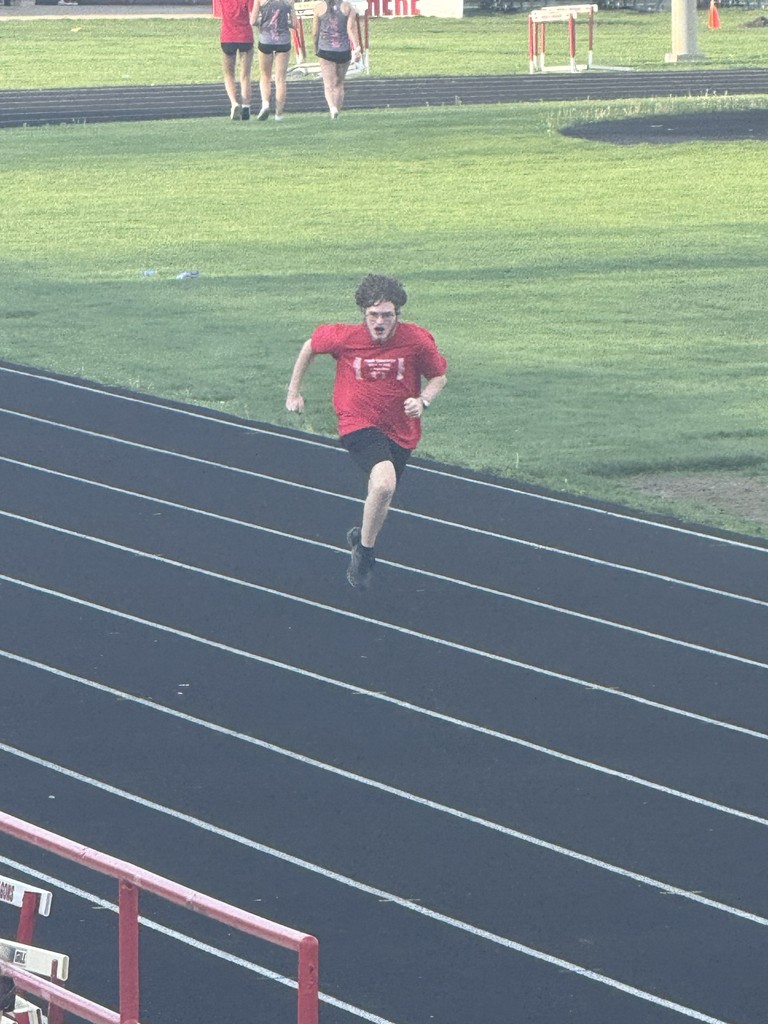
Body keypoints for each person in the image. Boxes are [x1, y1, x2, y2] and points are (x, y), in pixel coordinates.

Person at [286, 274, 448, 589]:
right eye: (373, 315)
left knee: (381, 494)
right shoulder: (344, 337)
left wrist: (423, 401)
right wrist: (293, 392)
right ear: (363, 314)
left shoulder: (416, 340)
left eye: (387, 315)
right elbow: (310, 346)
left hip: (400, 427)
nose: (379, 322)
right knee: (385, 485)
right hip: (357, 421)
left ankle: (363, 537)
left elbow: (439, 376)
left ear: (397, 315)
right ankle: (366, 554)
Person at [312, 0, 361, 119]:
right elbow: (351, 28)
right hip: (343, 50)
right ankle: (337, 111)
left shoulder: (319, 8)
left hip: (325, 49)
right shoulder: (348, 7)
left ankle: (332, 108)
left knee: (329, 84)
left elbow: (315, 32)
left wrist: (315, 46)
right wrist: (357, 47)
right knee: (339, 82)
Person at [251, 0, 297, 121]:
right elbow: (295, 24)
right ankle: (279, 114)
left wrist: (264, 22)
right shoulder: (288, 1)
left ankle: (265, 104)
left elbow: (253, 21)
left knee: (265, 76)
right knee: (280, 79)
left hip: (266, 40)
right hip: (283, 41)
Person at [218, 0, 255, 120]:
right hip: (245, 37)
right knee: (245, 75)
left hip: (227, 37)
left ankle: (234, 103)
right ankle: (246, 106)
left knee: (229, 74)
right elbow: (252, 12)